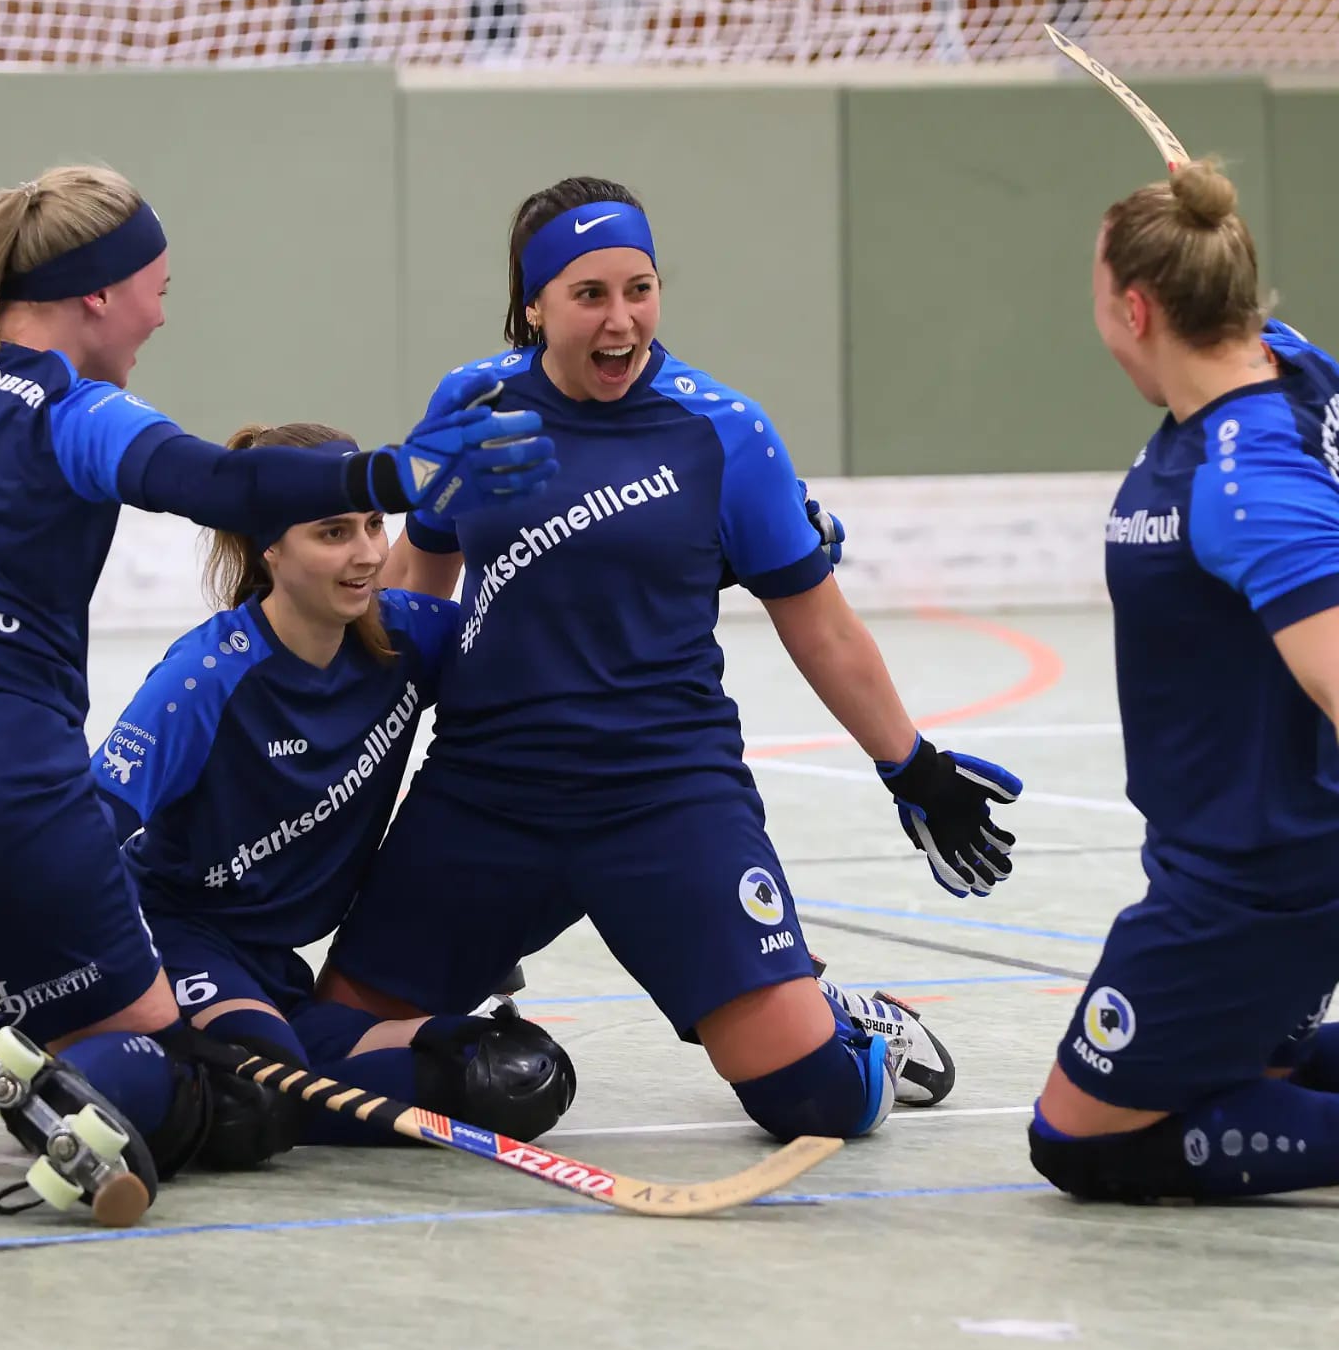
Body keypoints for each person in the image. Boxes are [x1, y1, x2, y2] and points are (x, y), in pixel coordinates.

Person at [0, 163, 555, 1222]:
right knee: (216, 1097)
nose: (162, 314)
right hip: (4, 788)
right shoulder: (74, 409)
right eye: (157, 288)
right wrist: (391, 477)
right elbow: (223, 484)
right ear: (98, 294)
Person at [318, 175, 1024, 1144]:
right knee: (327, 1062)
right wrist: (341, 724)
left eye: (640, 289)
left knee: (814, 1103)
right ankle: (473, 1015)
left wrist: (912, 765)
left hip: (664, 796)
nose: (622, 321)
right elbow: (416, 588)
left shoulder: (723, 430)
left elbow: (821, 626)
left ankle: (839, 1018)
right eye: (590, 295)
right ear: (535, 305)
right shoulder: (474, 403)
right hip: (487, 794)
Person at [89, 420, 576, 1150]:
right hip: (179, 940)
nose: (368, 554)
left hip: (277, 972)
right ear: (268, 545)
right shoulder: (206, 678)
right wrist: (81, 987)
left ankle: (221, 1080)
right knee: (259, 1098)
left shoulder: (413, 638)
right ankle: (67, 1062)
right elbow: (81, 831)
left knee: (514, 1075)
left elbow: (545, 676)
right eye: (333, 532)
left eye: (375, 525)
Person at [1029, 159, 1339, 1202]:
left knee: (1079, 1142)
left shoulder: (1250, 486)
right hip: (1242, 851)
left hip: (1254, 881)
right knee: (1250, 1071)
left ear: (1136, 309)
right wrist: (1191, 221)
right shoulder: (1293, 367)